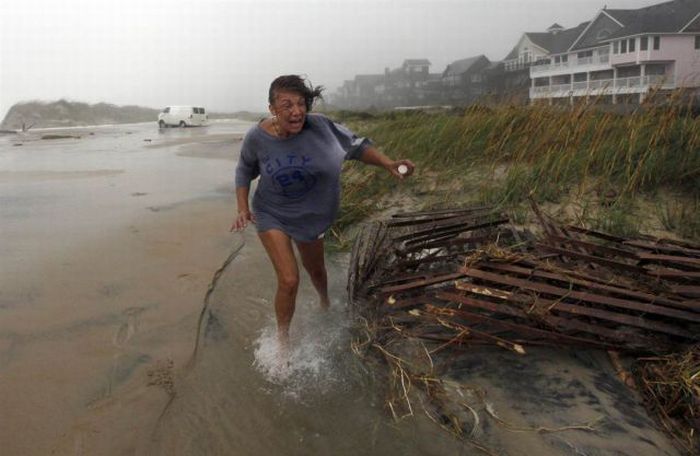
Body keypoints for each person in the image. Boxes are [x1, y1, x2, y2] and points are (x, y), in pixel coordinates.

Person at [232, 75, 414, 350]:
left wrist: (388, 164)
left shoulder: (321, 127)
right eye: (287, 105)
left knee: (316, 270)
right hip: (272, 213)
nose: (296, 112)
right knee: (289, 279)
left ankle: (324, 302)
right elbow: (245, 169)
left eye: (301, 104)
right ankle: (282, 342)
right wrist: (243, 207)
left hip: (312, 215)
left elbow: (357, 147)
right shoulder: (257, 137)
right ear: (272, 108)